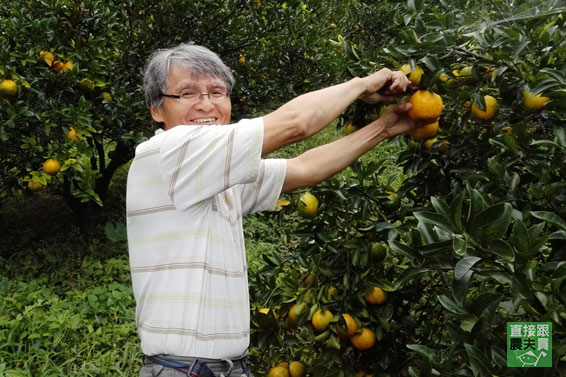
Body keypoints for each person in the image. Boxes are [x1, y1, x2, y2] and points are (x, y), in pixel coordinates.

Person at [127, 42, 415, 377]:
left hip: (227, 367)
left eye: (217, 91)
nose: (206, 104)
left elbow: (304, 168)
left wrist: (383, 128)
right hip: (184, 369)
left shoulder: (214, 171)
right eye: (188, 93)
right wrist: (363, 84)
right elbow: (296, 124)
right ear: (156, 109)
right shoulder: (170, 152)